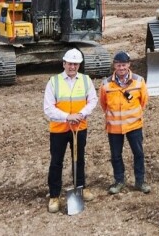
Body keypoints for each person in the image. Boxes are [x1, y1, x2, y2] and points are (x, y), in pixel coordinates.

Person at [43, 48, 97, 213]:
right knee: (56, 162)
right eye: (69, 63)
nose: (72, 67)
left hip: (79, 128)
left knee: (79, 159)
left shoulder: (86, 80)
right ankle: (54, 195)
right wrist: (67, 116)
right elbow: (48, 108)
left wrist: (81, 114)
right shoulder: (54, 81)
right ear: (64, 64)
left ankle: (80, 188)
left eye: (75, 64)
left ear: (79, 65)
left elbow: (92, 100)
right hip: (59, 129)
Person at [99, 51, 150, 195]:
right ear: (114, 65)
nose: (121, 68)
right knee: (116, 155)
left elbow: (143, 101)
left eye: (124, 65)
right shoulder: (106, 84)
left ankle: (140, 182)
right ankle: (119, 181)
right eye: (118, 65)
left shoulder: (139, 81)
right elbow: (103, 104)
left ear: (129, 65)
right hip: (114, 127)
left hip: (134, 126)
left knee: (138, 153)